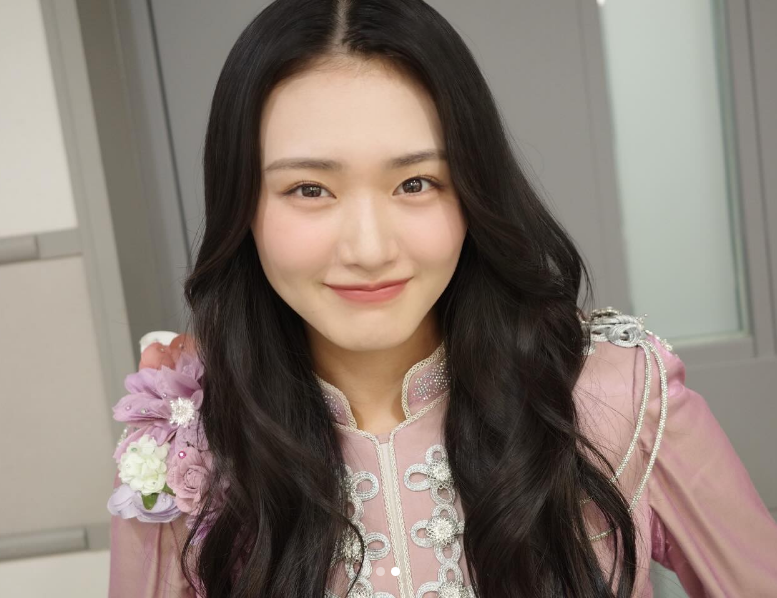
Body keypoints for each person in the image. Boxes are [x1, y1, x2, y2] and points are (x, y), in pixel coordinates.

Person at [105, 0, 777, 596]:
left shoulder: (621, 394)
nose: (369, 248)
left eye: (415, 183)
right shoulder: (184, 448)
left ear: (472, 192)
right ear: (242, 206)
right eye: (310, 189)